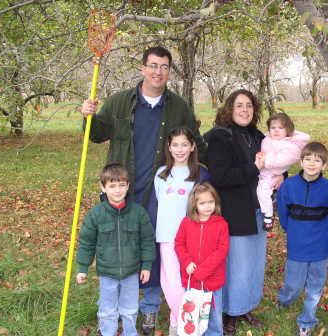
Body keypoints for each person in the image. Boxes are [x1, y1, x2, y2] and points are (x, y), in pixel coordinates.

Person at [80, 46, 206, 335]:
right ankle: (110, 313)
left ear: (169, 71)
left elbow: (195, 141)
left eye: (163, 66)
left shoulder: (179, 107)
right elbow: (96, 134)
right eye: (152, 65)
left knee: (153, 250)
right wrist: (88, 116)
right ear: (142, 69)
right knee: (118, 250)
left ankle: (149, 309)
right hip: (122, 189)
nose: (157, 71)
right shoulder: (120, 102)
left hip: (158, 192)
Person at [204, 89, 266, 336]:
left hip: (258, 209)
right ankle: (229, 311)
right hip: (234, 209)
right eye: (239, 105)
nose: (244, 110)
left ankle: (245, 306)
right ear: (229, 109)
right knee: (235, 265)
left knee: (253, 264)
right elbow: (220, 176)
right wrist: (252, 169)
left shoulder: (258, 135)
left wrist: (282, 178)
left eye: (249, 105)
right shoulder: (220, 137)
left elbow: (273, 163)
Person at [76, 163, 155, 336]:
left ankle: (130, 332)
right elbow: (87, 243)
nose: (117, 190)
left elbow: (147, 240)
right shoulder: (96, 214)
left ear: (128, 186)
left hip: (131, 272)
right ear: (103, 187)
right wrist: (82, 268)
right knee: (107, 309)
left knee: (130, 308)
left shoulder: (138, 213)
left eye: (121, 185)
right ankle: (107, 332)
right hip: (107, 273)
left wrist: (147, 265)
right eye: (112, 186)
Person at [276, 142, 328, 336]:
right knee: (293, 285)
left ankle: (307, 321)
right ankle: (285, 300)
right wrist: (294, 230)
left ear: (324, 165)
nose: (312, 163)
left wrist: (323, 230)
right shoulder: (289, 185)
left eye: (317, 160)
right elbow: (283, 212)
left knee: (315, 287)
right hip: (297, 244)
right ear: (301, 161)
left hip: (320, 245)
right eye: (308, 159)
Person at [154, 127, 209, 336]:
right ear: (168, 147)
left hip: (192, 237)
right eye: (175, 145)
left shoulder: (200, 173)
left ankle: (184, 324)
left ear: (192, 146)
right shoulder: (161, 174)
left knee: (189, 280)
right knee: (170, 281)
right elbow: (158, 202)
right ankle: (181, 322)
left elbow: (205, 204)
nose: (180, 149)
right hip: (167, 236)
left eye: (184, 144)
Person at [174, 182, 230, 336]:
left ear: (216, 203)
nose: (207, 206)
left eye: (211, 202)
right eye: (202, 203)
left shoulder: (221, 225)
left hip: (213, 282)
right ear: (195, 204)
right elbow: (179, 244)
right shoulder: (186, 223)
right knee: (193, 316)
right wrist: (186, 262)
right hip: (192, 281)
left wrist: (202, 271)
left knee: (213, 317)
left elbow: (222, 250)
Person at [256, 112, 310, 230]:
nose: (276, 131)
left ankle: (268, 216)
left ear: (287, 130)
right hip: (265, 172)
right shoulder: (268, 138)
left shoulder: (290, 146)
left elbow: (282, 160)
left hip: (271, 174)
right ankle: (274, 204)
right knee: (263, 193)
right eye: (273, 128)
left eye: (280, 128)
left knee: (262, 193)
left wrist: (265, 160)